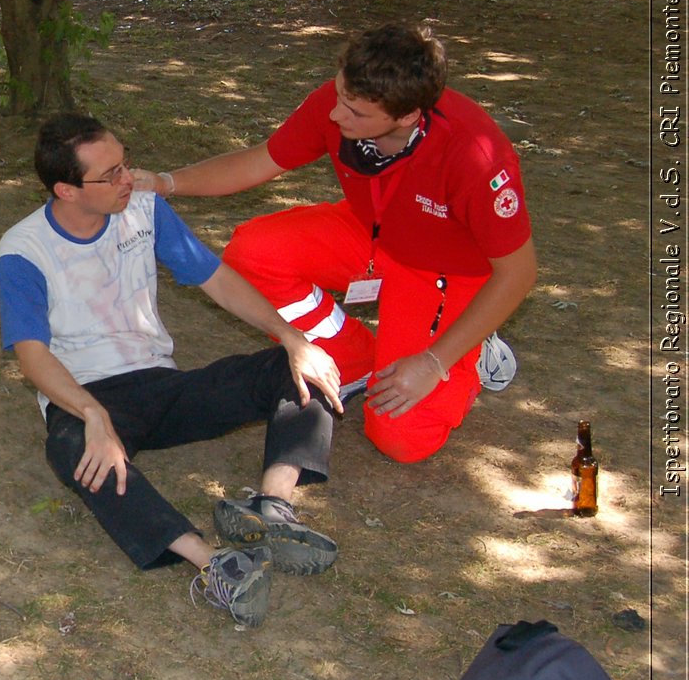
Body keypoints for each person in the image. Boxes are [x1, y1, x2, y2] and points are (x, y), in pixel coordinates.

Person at [0, 113, 346, 627]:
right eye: (110, 174)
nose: (127, 180)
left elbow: (217, 278)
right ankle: (213, 563)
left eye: (125, 164)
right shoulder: (23, 249)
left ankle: (271, 508)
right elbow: (32, 356)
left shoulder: (143, 208)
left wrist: (293, 338)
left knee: (299, 369)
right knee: (72, 449)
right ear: (66, 191)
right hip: (88, 396)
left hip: (162, 383)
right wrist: (92, 417)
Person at [135, 24, 535, 463]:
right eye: (340, 95)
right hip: (374, 233)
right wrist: (166, 183)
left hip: (447, 273)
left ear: (406, 116)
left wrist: (433, 362)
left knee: (402, 439)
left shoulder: (475, 153)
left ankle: (473, 350)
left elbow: (518, 274)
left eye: (356, 113)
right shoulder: (341, 101)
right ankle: (355, 357)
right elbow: (260, 160)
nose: (336, 116)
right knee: (254, 253)